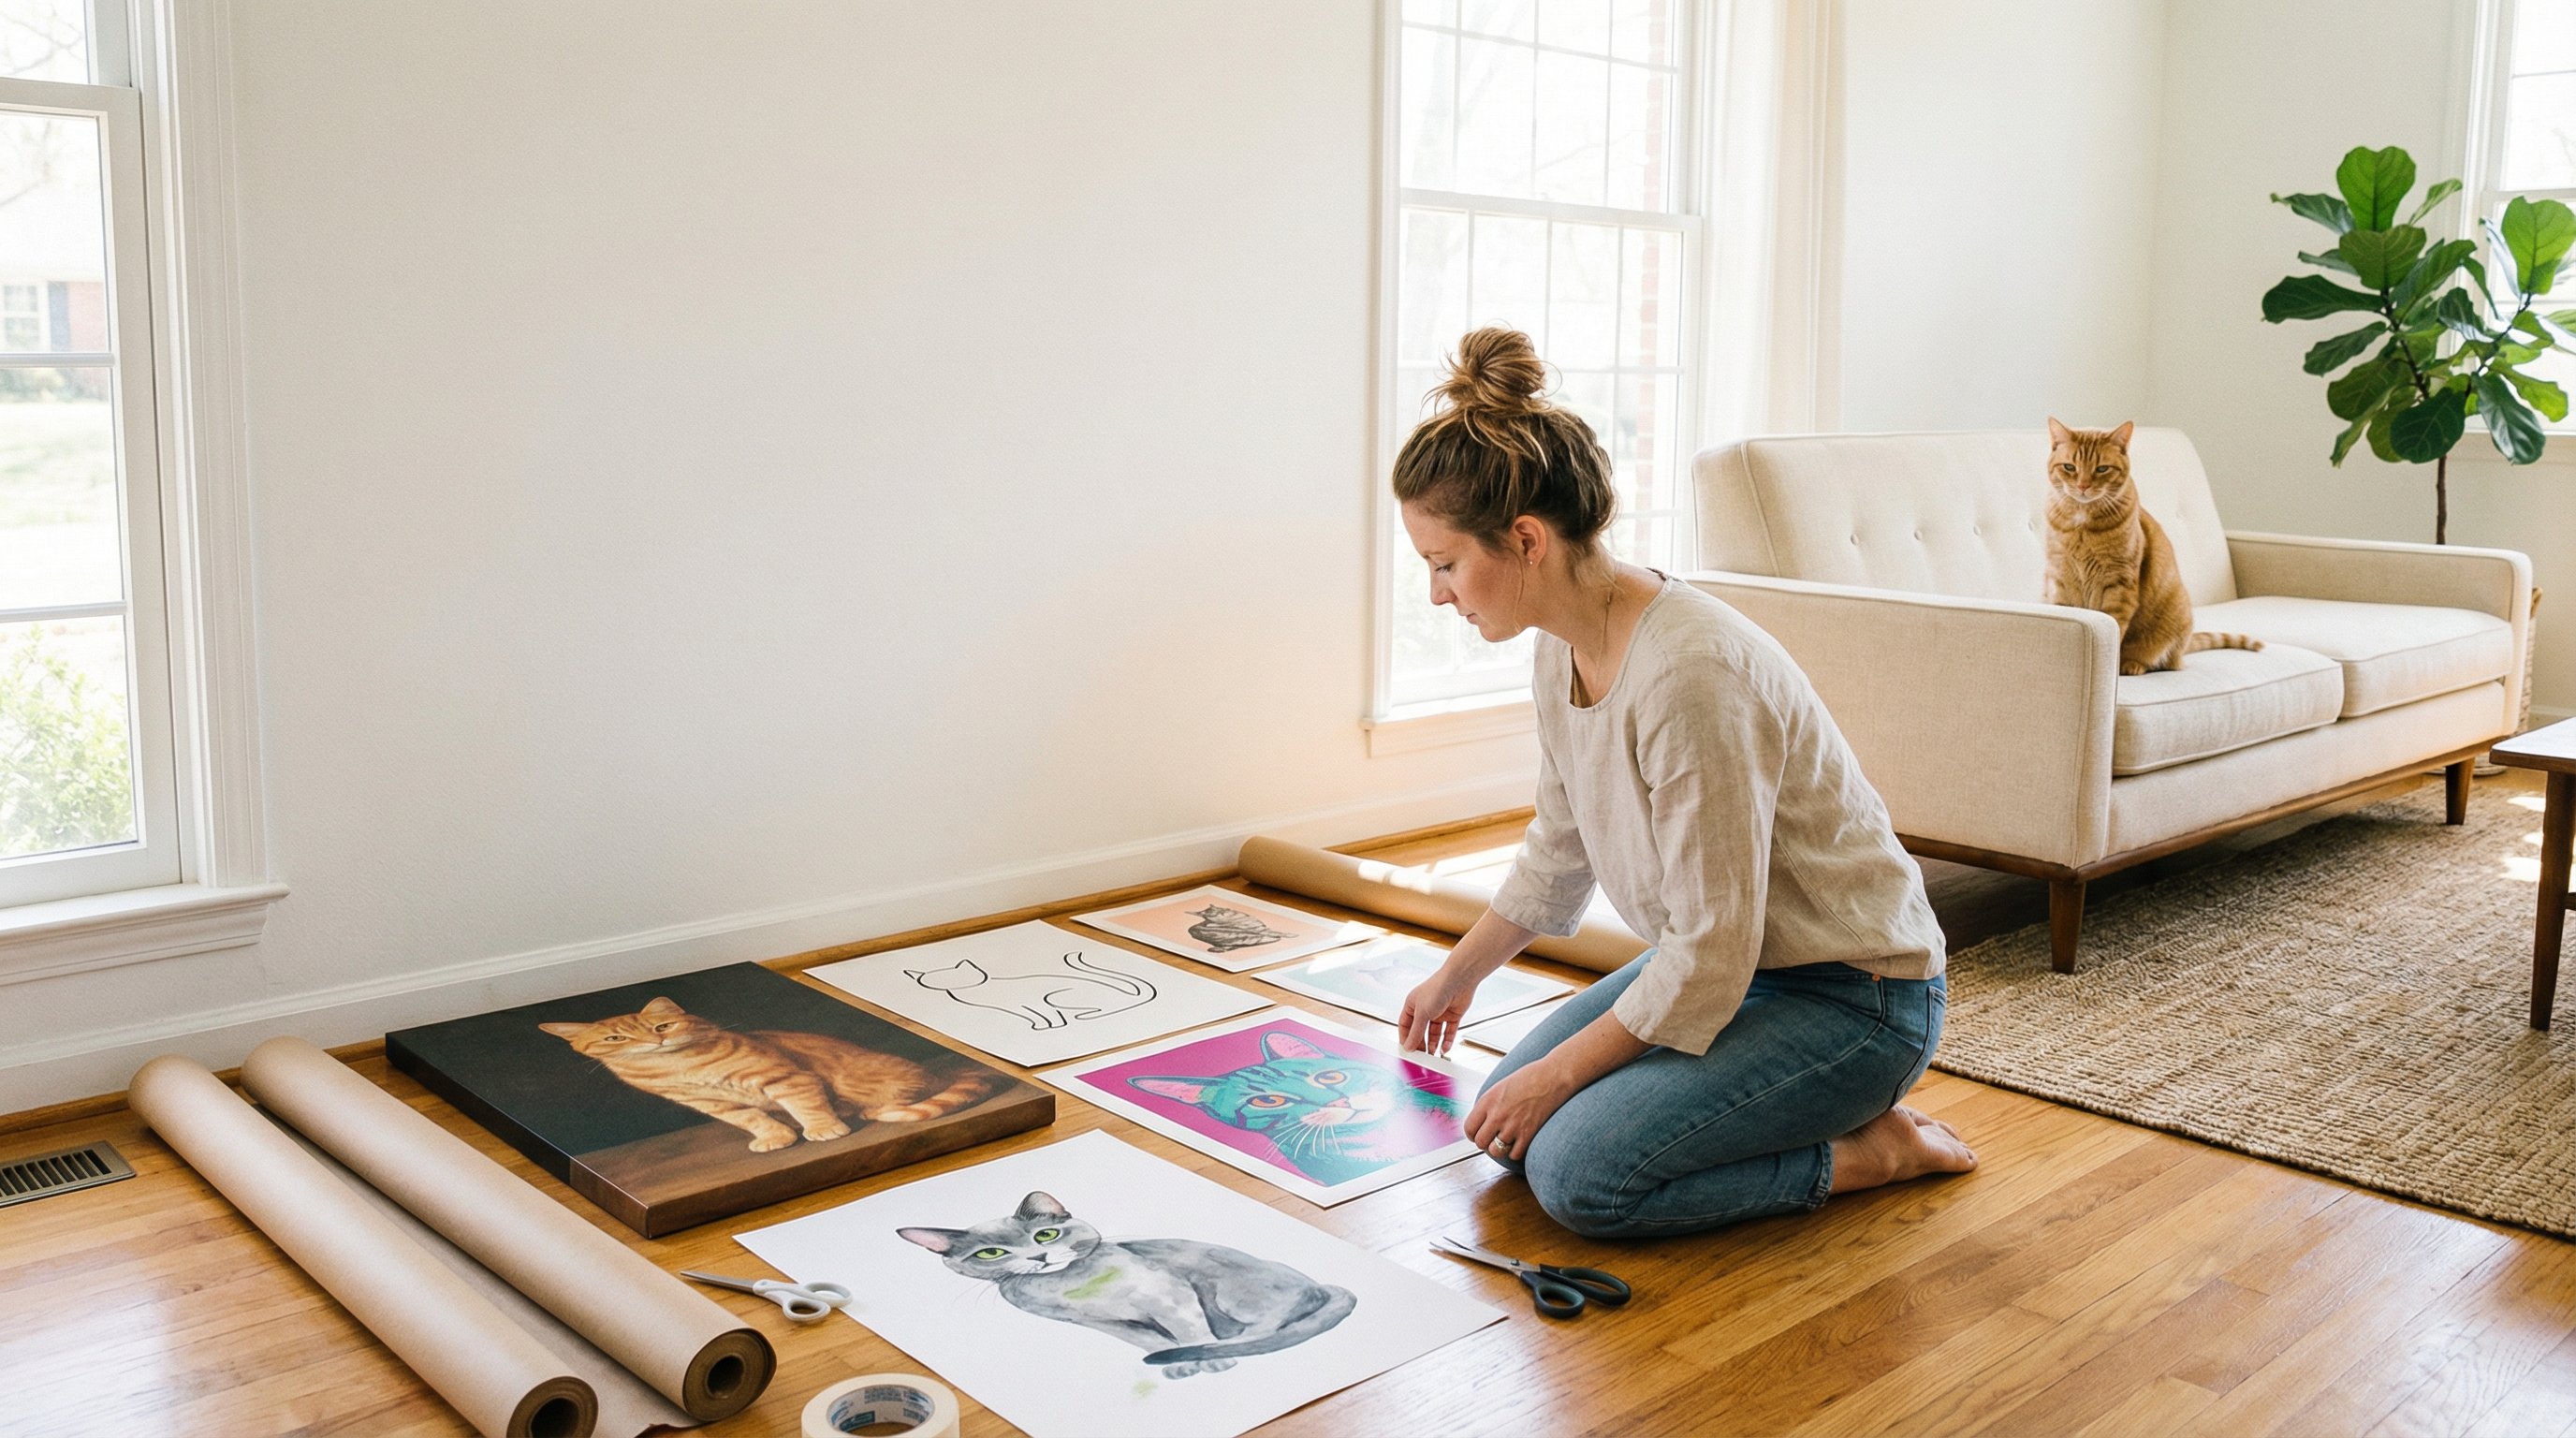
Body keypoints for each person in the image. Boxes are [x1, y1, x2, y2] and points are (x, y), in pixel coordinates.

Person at [1394, 327, 1977, 1240]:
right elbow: (1561, 845)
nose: (1437, 593)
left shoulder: (1689, 674)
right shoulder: (1559, 649)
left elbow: (1709, 948)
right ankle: (1773, 1108)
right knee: (1508, 1132)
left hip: (1853, 998)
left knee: (1580, 1178)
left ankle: (1876, 1149)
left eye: (1443, 564)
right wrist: (1455, 978)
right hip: (1739, 973)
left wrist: (1559, 1075)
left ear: (1524, 539)